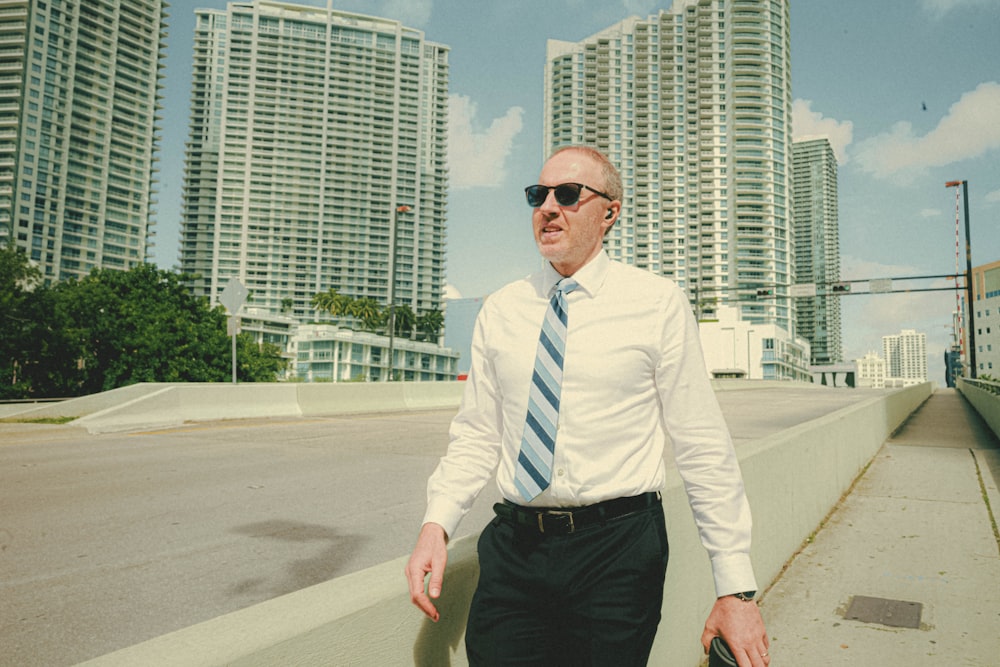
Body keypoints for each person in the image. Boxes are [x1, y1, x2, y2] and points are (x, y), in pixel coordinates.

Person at [405, 146, 769, 666]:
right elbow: (478, 435)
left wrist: (735, 588)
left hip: (617, 553)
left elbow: (702, 444)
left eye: (569, 194)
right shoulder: (502, 309)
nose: (548, 207)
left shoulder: (657, 303)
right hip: (515, 550)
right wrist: (435, 525)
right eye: (539, 195)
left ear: (609, 212)